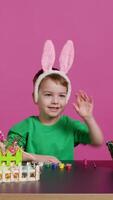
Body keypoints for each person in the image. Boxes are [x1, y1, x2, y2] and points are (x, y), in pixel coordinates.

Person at [5, 40, 104, 163]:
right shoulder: (24, 127)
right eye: (48, 95)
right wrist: (36, 158)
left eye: (61, 95)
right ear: (35, 97)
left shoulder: (70, 126)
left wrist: (89, 118)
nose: (55, 101)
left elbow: (97, 141)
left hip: (65, 182)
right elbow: (6, 153)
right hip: (32, 182)